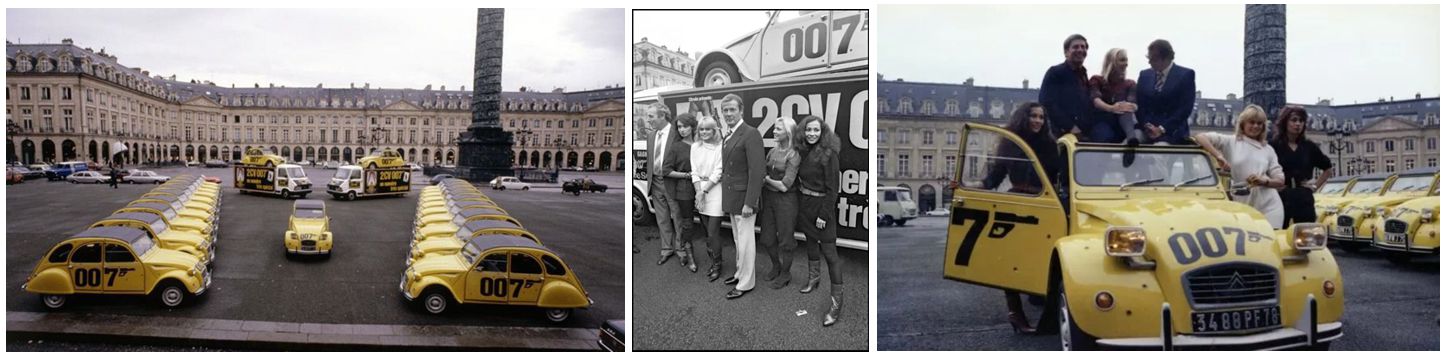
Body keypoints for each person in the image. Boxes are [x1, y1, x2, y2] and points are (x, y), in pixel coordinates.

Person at [981, 102, 1059, 334]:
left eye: (1041, 117)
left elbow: (1060, 175)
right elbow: (995, 175)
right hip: (1016, 200)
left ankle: (1048, 311)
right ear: (1023, 118)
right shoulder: (1010, 143)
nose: (1037, 121)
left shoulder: (1050, 144)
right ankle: (1015, 311)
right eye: (1033, 116)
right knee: (1012, 258)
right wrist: (973, 187)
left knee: (1045, 255)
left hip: (1043, 202)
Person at [1194, 105, 1286, 228]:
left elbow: (1280, 180)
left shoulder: (1268, 149)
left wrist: (1264, 181)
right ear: (1242, 124)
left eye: (1259, 123)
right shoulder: (1231, 142)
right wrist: (1218, 156)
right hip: (1243, 202)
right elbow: (1200, 137)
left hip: (1269, 204)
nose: (1256, 126)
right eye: (1252, 122)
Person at [794, 115, 843, 326]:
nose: (812, 134)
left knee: (830, 255)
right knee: (811, 244)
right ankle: (814, 279)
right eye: (808, 130)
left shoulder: (829, 155)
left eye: (816, 130)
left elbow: (833, 190)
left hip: (822, 208)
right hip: (805, 205)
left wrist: (824, 215)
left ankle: (836, 303)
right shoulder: (803, 151)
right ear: (803, 132)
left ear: (823, 132)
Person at [719, 93, 765, 300]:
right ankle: (739, 273)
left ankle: (746, 283)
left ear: (741, 111)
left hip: (744, 199)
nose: (728, 113)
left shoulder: (750, 133)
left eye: (732, 109)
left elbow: (757, 171)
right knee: (738, 240)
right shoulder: (729, 134)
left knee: (746, 242)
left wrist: (750, 202)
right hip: (733, 196)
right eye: (725, 110)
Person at [1270, 106, 1334, 226]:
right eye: (1294, 120)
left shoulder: (1309, 147)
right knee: (1278, 231)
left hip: (1303, 195)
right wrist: (1273, 186)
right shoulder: (1274, 146)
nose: (1298, 124)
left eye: (1301, 121)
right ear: (1285, 122)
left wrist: (1315, 186)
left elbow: (1328, 168)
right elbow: (1264, 168)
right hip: (1281, 195)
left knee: (1306, 232)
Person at [759, 117, 800, 289]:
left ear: (788, 133)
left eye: (778, 129)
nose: (774, 131)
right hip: (769, 199)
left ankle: (785, 273)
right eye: (775, 128)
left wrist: (765, 179)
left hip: (786, 201)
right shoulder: (772, 151)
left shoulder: (794, 154)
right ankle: (776, 265)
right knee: (767, 238)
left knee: (786, 241)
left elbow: (785, 186)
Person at [645, 102, 684, 266]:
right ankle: (666, 249)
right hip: (655, 181)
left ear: (662, 116)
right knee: (661, 218)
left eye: (651, 116)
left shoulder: (677, 134)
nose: (648, 120)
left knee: (678, 217)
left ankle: (681, 249)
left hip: (672, 182)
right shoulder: (651, 135)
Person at [1136, 39, 1196, 145]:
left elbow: (1185, 109)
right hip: (1146, 129)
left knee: (1160, 152)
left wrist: (1161, 129)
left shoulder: (1185, 75)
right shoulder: (1144, 75)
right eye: (1149, 58)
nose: (1149, 62)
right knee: (1131, 142)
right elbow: (1139, 105)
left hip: (1171, 131)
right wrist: (1146, 125)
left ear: (1166, 58)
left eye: (1153, 59)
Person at [661, 114, 699, 272]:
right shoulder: (676, 147)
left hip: (705, 187)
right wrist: (686, 175)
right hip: (684, 189)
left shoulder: (700, 144)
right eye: (679, 127)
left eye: (685, 126)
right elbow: (666, 170)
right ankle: (689, 256)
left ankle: (715, 259)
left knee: (707, 224)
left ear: (692, 126)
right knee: (687, 223)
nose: (682, 130)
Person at [691, 115, 727, 282]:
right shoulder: (695, 147)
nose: (704, 132)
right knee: (706, 230)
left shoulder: (721, 147)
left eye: (708, 129)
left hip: (715, 191)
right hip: (700, 190)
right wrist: (699, 192)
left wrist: (703, 192)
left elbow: (718, 172)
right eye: (702, 129)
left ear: (714, 130)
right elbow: (694, 171)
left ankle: (718, 265)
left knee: (713, 232)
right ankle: (713, 260)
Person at [1039, 34, 1093, 140]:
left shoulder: (1083, 74)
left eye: (1083, 47)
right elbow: (1047, 103)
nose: (1080, 50)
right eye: (1075, 47)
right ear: (1066, 52)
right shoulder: (1055, 72)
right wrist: (1070, 126)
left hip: (1082, 134)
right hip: (1060, 134)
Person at [1088, 48, 1144, 145]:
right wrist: (1111, 108)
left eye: (1126, 60)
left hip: (1124, 124)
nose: (1126, 63)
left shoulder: (1130, 83)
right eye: (1122, 60)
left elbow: (1133, 100)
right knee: (1104, 135)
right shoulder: (1097, 80)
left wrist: (1132, 106)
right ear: (1111, 62)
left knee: (1125, 107)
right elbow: (1096, 100)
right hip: (1103, 122)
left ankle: (1131, 139)